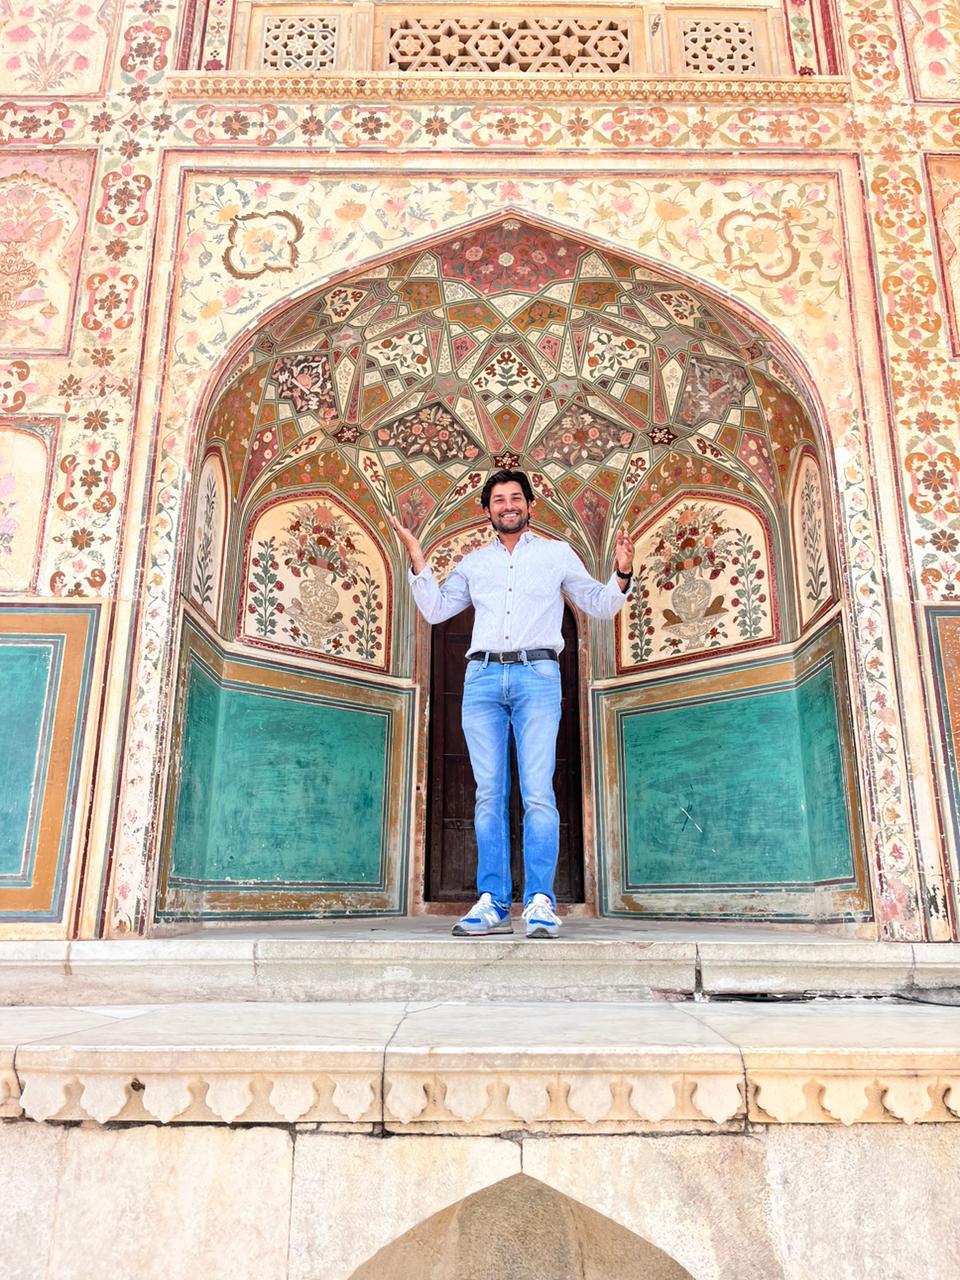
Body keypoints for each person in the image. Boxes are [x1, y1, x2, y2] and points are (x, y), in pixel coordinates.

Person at [388, 469, 634, 939]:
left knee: (538, 793)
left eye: (516, 497)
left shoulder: (557, 554)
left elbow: (601, 604)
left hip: (536, 675)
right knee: (488, 795)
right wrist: (418, 559)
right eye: (498, 499)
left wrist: (621, 572)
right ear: (487, 510)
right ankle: (494, 903)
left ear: (530, 505)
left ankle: (540, 902)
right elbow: (436, 610)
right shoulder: (473, 563)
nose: (508, 505)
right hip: (481, 679)